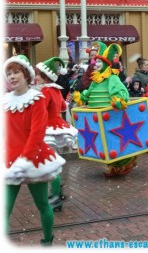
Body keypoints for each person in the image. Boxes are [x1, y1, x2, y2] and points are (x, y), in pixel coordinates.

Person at [3, 54, 66, 246]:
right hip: (10, 159)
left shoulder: (37, 99)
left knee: (42, 205)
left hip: (33, 159)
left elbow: (37, 133)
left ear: (26, 75)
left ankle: (47, 242)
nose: (12, 77)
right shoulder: (5, 101)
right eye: (9, 73)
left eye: (16, 72)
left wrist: (24, 160)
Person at [74, 41, 137, 177]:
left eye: (99, 62)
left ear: (106, 64)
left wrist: (119, 100)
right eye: (95, 62)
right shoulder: (96, 80)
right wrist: (82, 97)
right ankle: (114, 166)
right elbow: (89, 92)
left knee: (114, 141)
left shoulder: (112, 78)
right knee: (104, 142)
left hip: (110, 115)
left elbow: (121, 92)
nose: (96, 64)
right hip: (97, 117)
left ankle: (122, 165)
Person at [35, 57, 78, 211]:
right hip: (56, 127)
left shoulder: (45, 91)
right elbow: (62, 108)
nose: (36, 77)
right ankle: (56, 192)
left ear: (45, 77)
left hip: (48, 129)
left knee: (50, 164)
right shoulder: (55, 90)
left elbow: (40, 111)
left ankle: (55, 196)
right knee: (52, 162)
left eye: (38, 75)